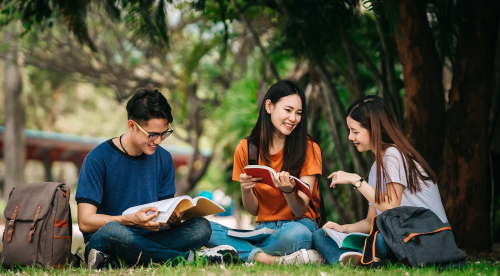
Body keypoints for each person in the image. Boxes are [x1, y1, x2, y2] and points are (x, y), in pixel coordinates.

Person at [76, 88, 236, 269]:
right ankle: (191, 259)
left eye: (164, 133)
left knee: (202, 227)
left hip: (151, 238)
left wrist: (172, 219)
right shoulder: (98, 159)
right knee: (114, 232)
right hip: (112, 238)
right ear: (131, 126)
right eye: (152, 135)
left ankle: (118, 260)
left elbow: (163, 212)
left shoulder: (164, 158)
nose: (158, 141)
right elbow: (84, 222)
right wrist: (129, 220)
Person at [312, 95, 448, 265]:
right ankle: (361, 261)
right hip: (400, 238)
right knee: (320, 235)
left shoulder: (393, 155)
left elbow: (391, 206)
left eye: (355, 131)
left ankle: (358, 260)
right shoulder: (378, 166)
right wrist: (341, 229)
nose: (349, 137)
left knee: (382, 241)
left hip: (426, 238)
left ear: (374, 129)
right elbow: (371, 221)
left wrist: (356, 180)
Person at [207, 80, 325, 265]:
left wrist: (288, 191)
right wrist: (246, 189)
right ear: (269, 106)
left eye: (298, 113)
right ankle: (270, 260)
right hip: (263, 230)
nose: (293, 118)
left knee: (298, 235)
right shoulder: (246, 149)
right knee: (205, 228)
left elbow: (300, 208)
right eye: (288, 110)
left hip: (297, 226)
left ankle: (239, 252)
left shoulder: (309, 148)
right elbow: (253, 210)